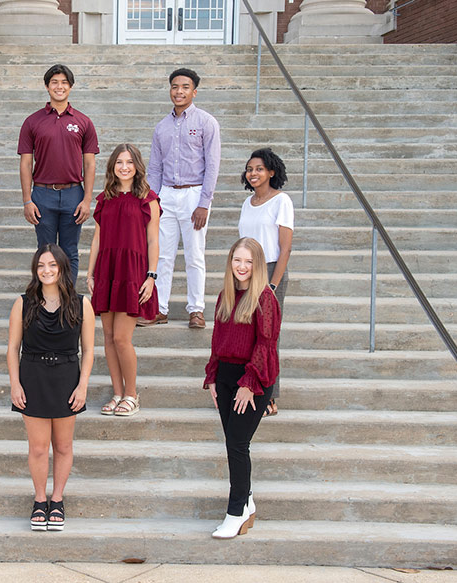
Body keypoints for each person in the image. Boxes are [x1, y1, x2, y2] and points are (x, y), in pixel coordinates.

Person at [7, 245, 95, 532]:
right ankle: (40, 499)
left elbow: (90, 351)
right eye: (41, 265)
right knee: (38, 447)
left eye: (52, 265)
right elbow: (12, 348)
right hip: (32, 376)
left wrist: (83, 386)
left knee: (64, 445)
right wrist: (15, 383)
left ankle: (57, 499)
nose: (46, 270)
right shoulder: (23, 303)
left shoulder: (82, 304)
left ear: (61, 268)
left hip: (67, 376)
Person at [204, 237, 281, 539]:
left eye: (249, 261)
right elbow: (217, 339)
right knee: (233, 443)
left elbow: (266, 343)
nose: (242, 266)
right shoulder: (226, 294)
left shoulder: (264, 298)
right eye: (238, 259)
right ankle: (247, 501)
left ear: (258, 264)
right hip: (225, 375)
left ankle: (236, 511)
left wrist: (250, 383)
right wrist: (212, 375)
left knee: (238, 445)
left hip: (253, 379)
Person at [142, 68, 220, 329]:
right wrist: (152, 200)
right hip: (166, 195)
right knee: (162, 255)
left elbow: (213, 165)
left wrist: (203, 203)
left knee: (194, 255)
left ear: (194, 91)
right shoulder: (161, 127)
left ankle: (196, 310)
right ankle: (159, 308)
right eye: (175, 86)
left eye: (185, 87)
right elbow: (154, 168)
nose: (179, 91)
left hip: (194, 193)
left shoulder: (206, 123)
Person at [86, 144, 160, 417]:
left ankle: (132, 394)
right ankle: (117, 393)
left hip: (133, 271)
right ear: (112, 167)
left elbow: (153, 240)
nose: (124, 167)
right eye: (119, 162)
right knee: (107, 337)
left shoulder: (148, 198)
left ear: (137, 166)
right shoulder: (104, 198)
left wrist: (151, 276)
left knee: (121, 337)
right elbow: (97, 239)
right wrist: (90, 273)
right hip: (107, 269)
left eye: (129, 162)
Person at [18, 64, 99, 283]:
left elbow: (89, 164)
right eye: (54, 82)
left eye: (64, 82)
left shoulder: (83, 122)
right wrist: (27, 200)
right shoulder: (32, 121)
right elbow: (26, 163)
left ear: (70, 87)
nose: (59, 86)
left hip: (73, 193)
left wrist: (87, 199)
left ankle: (68, 303)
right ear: (47, 86)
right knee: (44, 251)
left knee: (69, 252)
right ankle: (44, 301)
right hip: (42, 195)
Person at [238, 148, 293, 418]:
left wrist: (272, 285)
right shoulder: (246, 204)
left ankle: (269, 395)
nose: (253, 173)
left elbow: (285, 249)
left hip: (270, 271)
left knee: (268, 336)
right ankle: (247, 388)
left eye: (259, 169)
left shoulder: (281, 201)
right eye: (250, 169)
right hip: (246, 271)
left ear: (271, 171)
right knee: (246, 335)